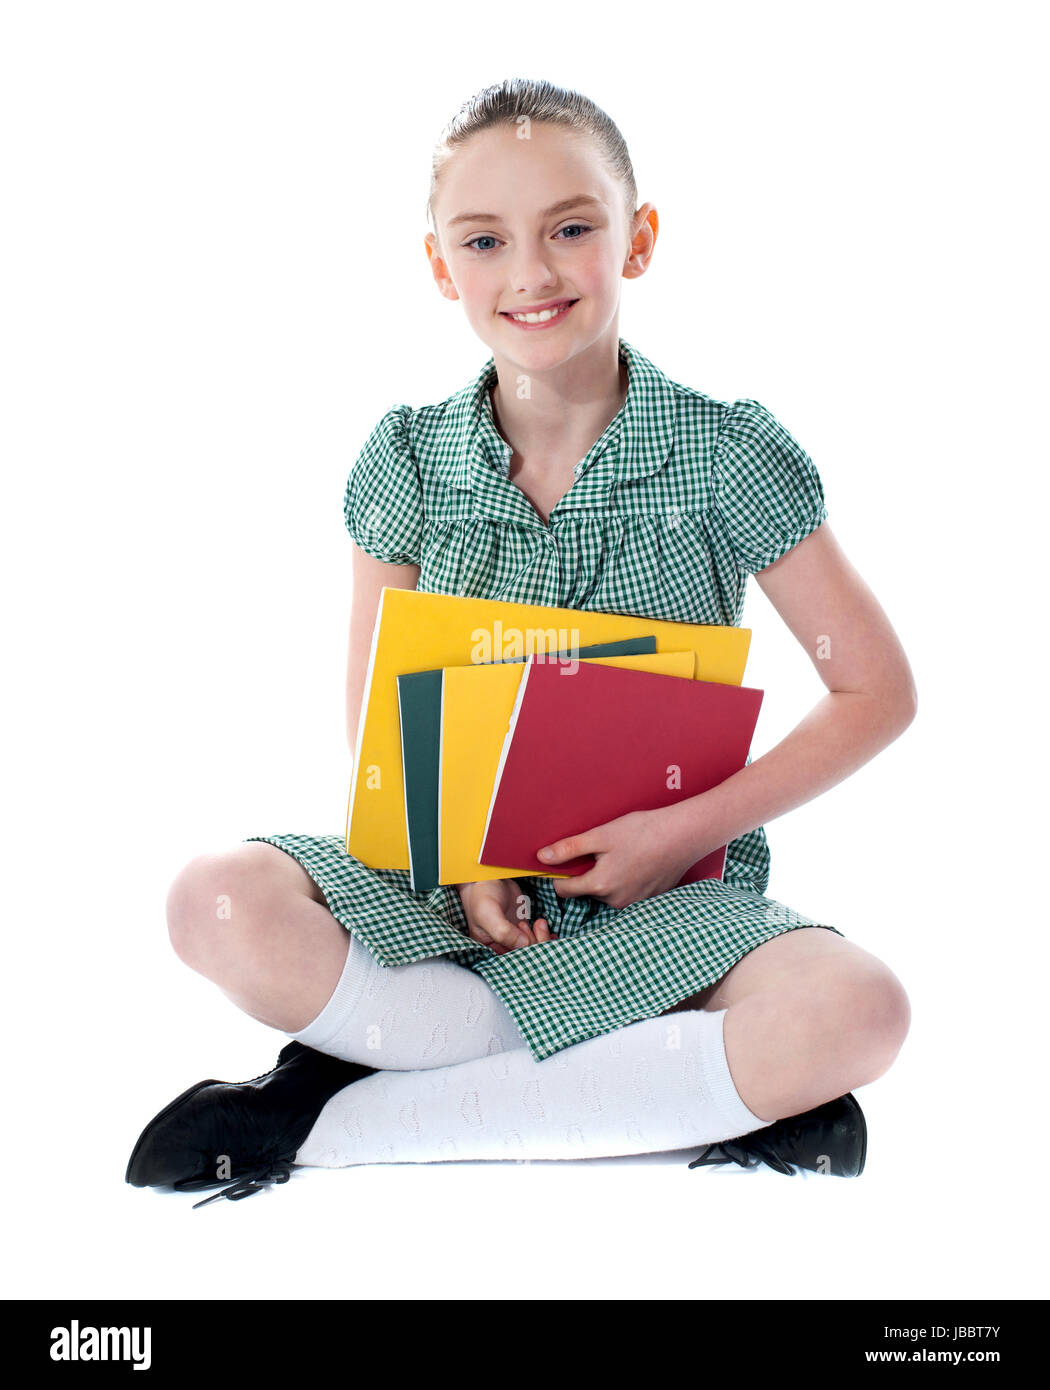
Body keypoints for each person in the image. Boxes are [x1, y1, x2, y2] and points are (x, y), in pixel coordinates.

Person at [126, 77, 915, 1203]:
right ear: (442, 267)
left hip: (668, 908)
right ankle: (670, 1093)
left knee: (862, 1007)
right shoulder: (408, 457)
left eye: (572, 229)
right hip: (451, 898)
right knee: (211, 899)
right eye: (485, 241)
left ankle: (330, 1119)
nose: (530, 274)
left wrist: (675, 832)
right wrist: (458, 857)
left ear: (637, 240)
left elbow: (875, 693)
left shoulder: (727, 456)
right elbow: (377, 722)